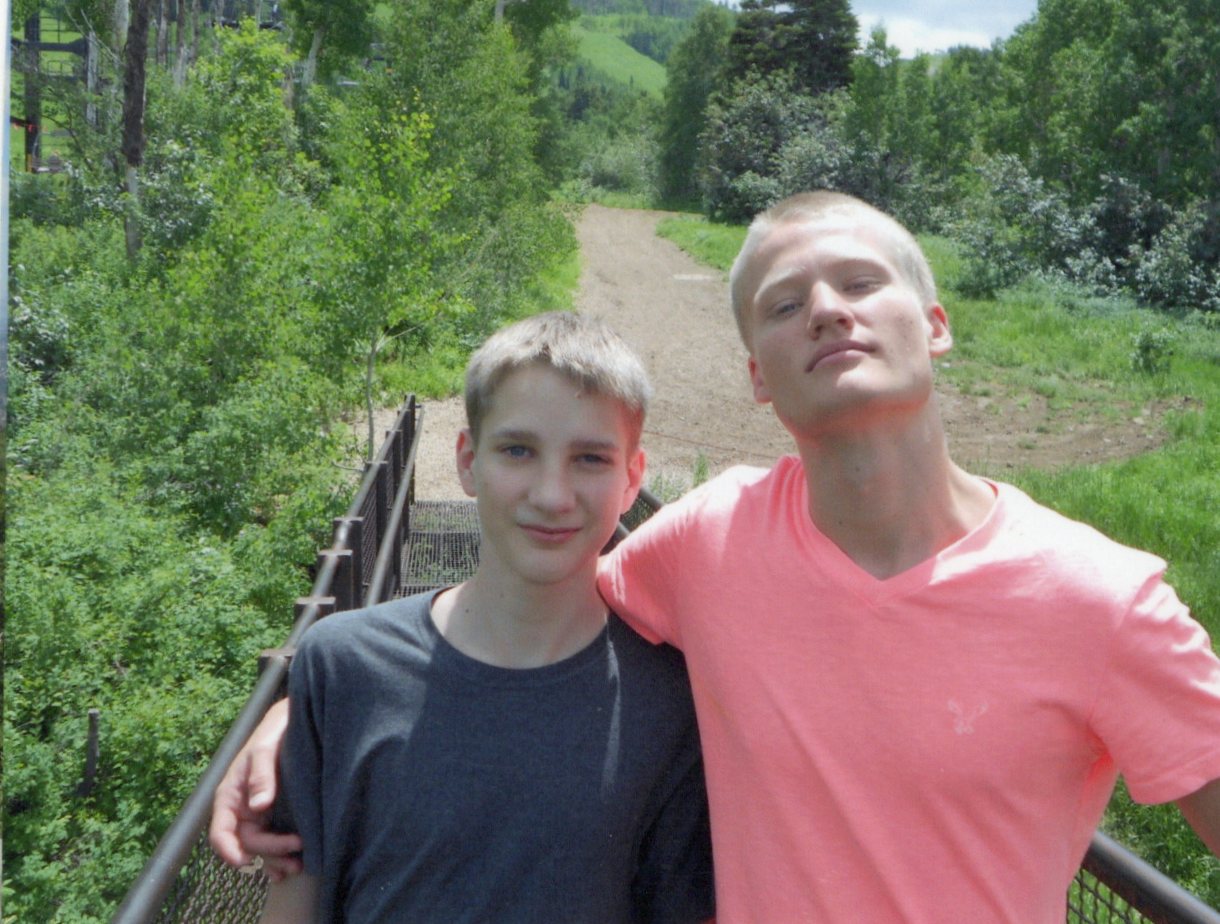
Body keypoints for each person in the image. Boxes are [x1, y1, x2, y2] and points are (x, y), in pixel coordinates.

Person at [215, 192, 1220, 922]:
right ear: (755, 375)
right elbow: (528, 606)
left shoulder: (1098, 599)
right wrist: (314, 703)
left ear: (935, 325)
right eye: (784, 304)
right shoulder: (713, 537)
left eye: (860, 283)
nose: (826, 309)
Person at [249, 312, 714, 923]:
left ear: (632, 479)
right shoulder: (341, 666)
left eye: (590, 459)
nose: (551, 495)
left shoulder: (671, 700)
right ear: (468, 460)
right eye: (518, 450)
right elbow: (293, 900)